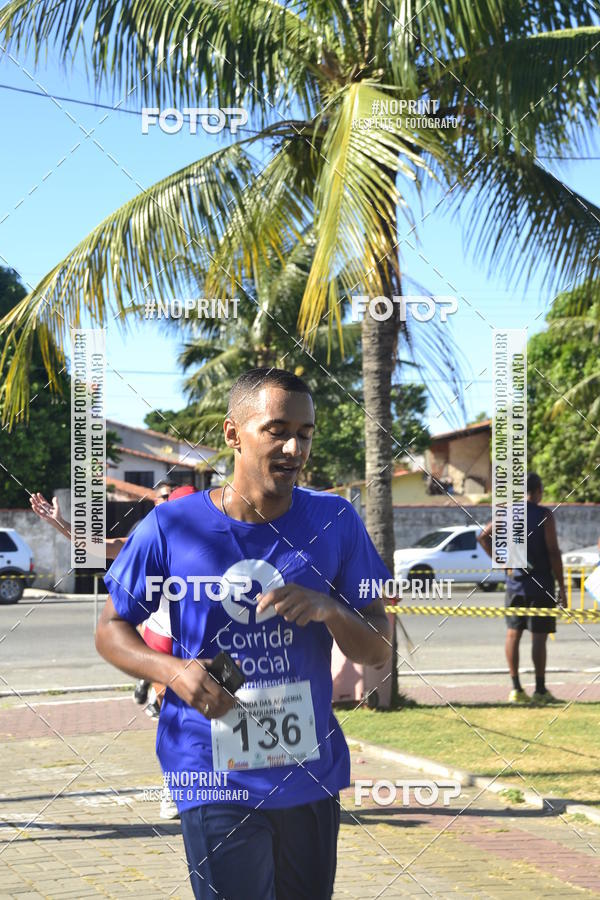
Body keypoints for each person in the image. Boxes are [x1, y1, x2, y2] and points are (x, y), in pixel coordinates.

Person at [95, 367, 393, 900]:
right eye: (276, 430)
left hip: (306, 768)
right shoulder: (172, 526)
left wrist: (330, 610)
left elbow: (378, 648)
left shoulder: (337, 520)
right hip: (210, 772)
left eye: (305, 434)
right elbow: (110, 629)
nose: (294, 447)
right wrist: (173, 671)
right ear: (234, 434)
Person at [478, 472, 566, 705]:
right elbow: (553, 552)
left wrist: (502, 561)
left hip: (515, 584)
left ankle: (516, 688)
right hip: (541, 584)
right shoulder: (544, 515)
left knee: (512, 634)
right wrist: (563, 588)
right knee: (539, 637)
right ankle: (539, 688)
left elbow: (483, 536)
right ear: (538, 490)